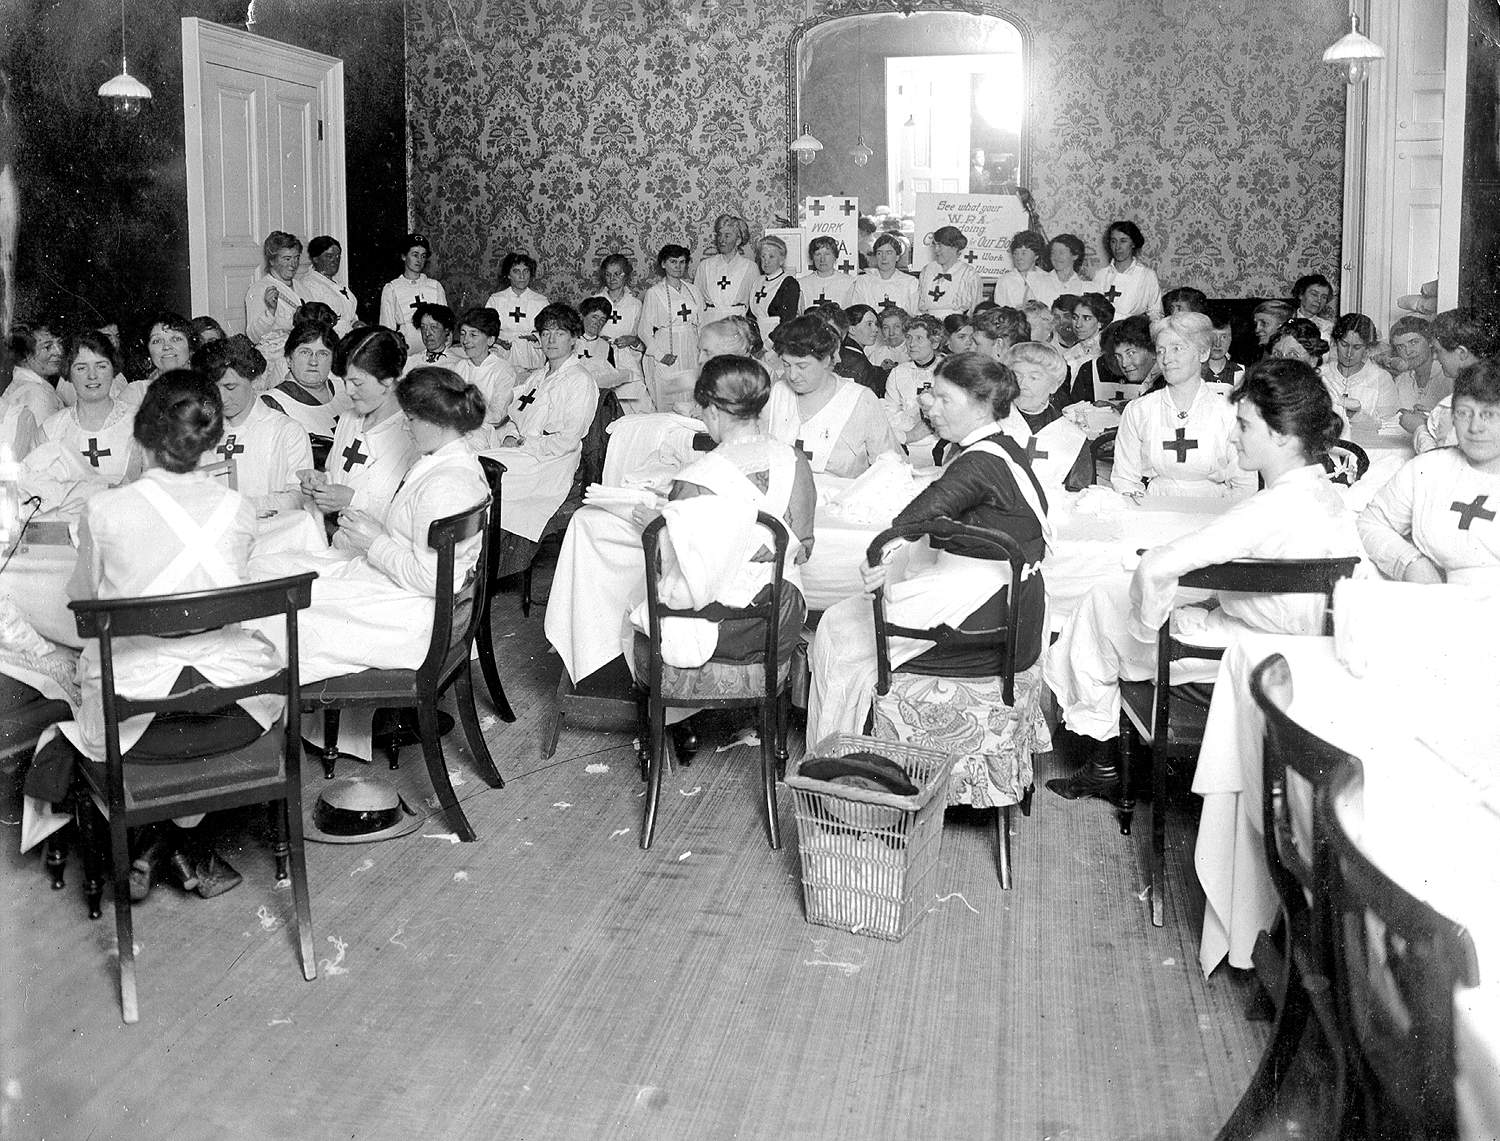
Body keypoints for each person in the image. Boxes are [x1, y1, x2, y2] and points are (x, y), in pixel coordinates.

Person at [1045, 358, 1363, 801]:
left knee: (1102, 602)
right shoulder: (1327, 495)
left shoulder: (1265, 508)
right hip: (1304, 648)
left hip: (1236, 650)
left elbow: (1159, 568)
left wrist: (1147, 622)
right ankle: (1110, 752)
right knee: (1115, 601)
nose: (1232, 436)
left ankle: (1104, 761)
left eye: (1244, 426)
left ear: (1282, 435)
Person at [42, 370, 285, 895]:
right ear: (211, 439)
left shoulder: (105, 509)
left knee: (72, 680)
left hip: (140, 727)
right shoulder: (238, 509)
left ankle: (151, 844)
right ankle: (179, 847)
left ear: (142, 433)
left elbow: (80, 598)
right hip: (233, 715)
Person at [808, 352, 1051, 741]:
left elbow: (910, 522)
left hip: (987, 617)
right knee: (845, 620)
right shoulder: (1003, 446)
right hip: (1017, 608)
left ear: (982, 405)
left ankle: (842, 753)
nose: (930, 408)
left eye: (944, 399)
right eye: (931, 395)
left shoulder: (977, 463)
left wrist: (879, 556)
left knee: (838, 628)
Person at [255, 366, 489, 683]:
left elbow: (431, 579)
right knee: (271, 570)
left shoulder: (448, 485)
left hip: (409, 614)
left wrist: (374, 541)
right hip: (396, 588)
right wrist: (370, 530)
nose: (405, 427)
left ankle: (287, 717)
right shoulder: (446, 462)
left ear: (437, 421)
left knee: (277, 606)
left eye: (411, 419)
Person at [626, 356, 815, 731]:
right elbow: (805, 546)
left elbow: (678, 573)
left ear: (711, 410)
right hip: (778, 620)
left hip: (713, 630)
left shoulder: (696, 478)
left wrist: (659, 529)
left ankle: (672, 722)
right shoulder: (795, 460)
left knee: (634, 600)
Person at [1358, 358, 1500, 584]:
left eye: (1490, 415)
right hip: (1438, 603)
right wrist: (1409, 562)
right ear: (1452, 415)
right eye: (1464, 413)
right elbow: (1371, 523)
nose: (1474, 427)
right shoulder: (1429, 468)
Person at [487, 302, 598, 546]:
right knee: (476, 466)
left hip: (551, 462)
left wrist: (527, 446)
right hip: (521, 451)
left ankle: (491, 558)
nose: (551, 339)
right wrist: (509, 436)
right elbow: (515, 415)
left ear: (574, 339)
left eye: (559, 333)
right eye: (545, 333)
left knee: (487, 479)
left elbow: (568, 440)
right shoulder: (537, 377)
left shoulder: (580, 380)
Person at [300, 327, 418, 554]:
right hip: (339, 547)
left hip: (383, 555)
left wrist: (352, 499)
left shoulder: (413, 432)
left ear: (388, 379)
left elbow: (412, 519)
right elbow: (337, 473)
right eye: (345, 381)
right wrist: (320, 484)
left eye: (357, 382)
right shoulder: (349, 419)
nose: (348, 391)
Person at [1112, 313, 1255, 499]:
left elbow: (1244, 484)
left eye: (1177, 348)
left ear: (1203, 353)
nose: (1166, 359)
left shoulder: (1229, 411)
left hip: (1214, 510)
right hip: (1154, 510)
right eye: (1161, 350)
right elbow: (1125, 480)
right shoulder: (1139, 410)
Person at [766, 314, 897, 477]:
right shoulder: (779, 392)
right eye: (786, 364)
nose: (792, 375)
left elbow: (891, 467)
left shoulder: (860, 399)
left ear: (826, 361)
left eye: (802, 366)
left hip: (842, 498)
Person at [193, 335, 311, 515]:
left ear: (255, 381)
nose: (221, 398)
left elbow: (299, 496)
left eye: (230, 387)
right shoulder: (200, 429)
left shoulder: (287, 431)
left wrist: (244, 507)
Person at [28, 330, 142, 486]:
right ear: (68, 372)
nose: (92, 376)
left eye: (101, 366)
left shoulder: (141, 423)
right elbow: (35, 489)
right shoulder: (51, 430)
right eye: (81, 368)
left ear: (113, 369)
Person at [1004, 341, 1092, 495]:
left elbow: (1078, 496)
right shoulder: (990, 423)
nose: (1023, 385)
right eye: (1016, 376)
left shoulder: (1073, 437)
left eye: (1034, 378)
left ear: (1054, 386)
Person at [1413, 308, 1500, 453]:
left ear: (1462, 353)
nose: (1434, 357)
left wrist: (1419, 428)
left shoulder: (1474, 398)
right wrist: (1433, 418)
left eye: (1438, 351)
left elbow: (1442, 465)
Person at [638, 243, 705, 411]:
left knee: (692, 394)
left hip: (691, 348)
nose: (678, 266)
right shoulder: (655, 293)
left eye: (682, 262)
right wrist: (660, 355)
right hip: (667, 350)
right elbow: (644, 330)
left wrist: (704, 352)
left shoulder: (693, 290)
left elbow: (702, 323)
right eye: (673, 262)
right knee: (669, 397)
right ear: (663, 264)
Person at [261, 321, 348, 446]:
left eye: (322, 354)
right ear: (289, 359)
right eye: (305, 352)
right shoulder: (272, 404)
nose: (313, 361)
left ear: (333, 360)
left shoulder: (346, 391)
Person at [244, 231, 305, 385]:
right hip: (276, 366)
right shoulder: (259, 290)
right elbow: (253, 335)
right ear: (272, 260)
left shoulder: (302, 288)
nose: (293, 264)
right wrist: (270, 312)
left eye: (296, 258)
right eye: (287, 259)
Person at [449, 306, 517, 441]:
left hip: (489, 435)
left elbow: (497, 416)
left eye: (473, 335)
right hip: (461, 430)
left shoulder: (503, 370)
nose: (465, 341)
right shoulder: (460, 367)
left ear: (490, 340)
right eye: (463, 333)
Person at [881, 313, 944, 452]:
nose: (911, 344)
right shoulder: (898, 373)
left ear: (934, 342)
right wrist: (910, 433)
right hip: (907, 442)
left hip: (943, 442)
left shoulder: (949, 369)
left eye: (919, 338)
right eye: (909, 337)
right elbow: (890, 412)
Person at [1321, 313, 1398, 427]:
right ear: (1335, 342)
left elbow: (1389, 426)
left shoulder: (1381, 379)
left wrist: (1357, 416)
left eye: (1357, 347)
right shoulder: (1321, 374)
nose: (1349, 353)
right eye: (1344, 344)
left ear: (1367, 349)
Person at [378, 233, 447, 356]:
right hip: (407, 350)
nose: (419, 260)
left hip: (435, 348)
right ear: (404, 256)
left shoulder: (435, 286)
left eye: (423, 256)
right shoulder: (392, 288)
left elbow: (445, 322)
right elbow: (386, 329)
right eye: (415, 255)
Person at [485, 251, 548, 373]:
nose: (522, 276)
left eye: (526, 271)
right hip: (503, 355)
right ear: (508, 275)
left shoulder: (541, 301)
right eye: (516, 271)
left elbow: (549, 331)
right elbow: (485, 329)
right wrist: (499, 341)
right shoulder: (496, 300)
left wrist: (535, 338)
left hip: (531, 356)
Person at [1389, 315, 1450, 436]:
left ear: (1430, 342)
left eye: (1413, 342)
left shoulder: (1448, 377)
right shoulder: (1401, 380)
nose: (1408, 351)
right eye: (1400, 347)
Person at [1093, 221, 1162, 320]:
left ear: (1133, 243)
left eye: (1123, 241)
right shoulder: (1100, 275)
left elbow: (1156, 313)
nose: (1117, 247)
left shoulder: (1147, 275)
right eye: (1113, 241)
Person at [695, 214, 757, 319]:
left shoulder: (750, 268)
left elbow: (755, 305)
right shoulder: (705, 266)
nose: (721, 240)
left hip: (737, 323)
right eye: (719, 235)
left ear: (738, 240)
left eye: (727, 235)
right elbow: (697, 300)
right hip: (710, 323)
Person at [2, 320, 64, 425]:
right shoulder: (38, 395)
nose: (59, 352)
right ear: (25, 356)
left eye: (59, 344)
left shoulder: (22, 386)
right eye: (47, 347)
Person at [298, 236, 359, 336]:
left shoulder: (338, 284)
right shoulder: (309, 284)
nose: (335, 260)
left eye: (338, 256)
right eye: (329, 256)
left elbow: (349, 315)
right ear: (316, 259)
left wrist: (355, 323)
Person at [917, 225, 980, 320]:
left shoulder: (969, 274)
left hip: (956, 325)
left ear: (954, 247)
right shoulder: (927, 270)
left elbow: (976, 309)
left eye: (940, 245)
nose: (936, 250)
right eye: (935, 245)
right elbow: (919, 305)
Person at [851, 233, 919, 316]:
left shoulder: (910, 283)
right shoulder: (863, 282)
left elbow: (916, 314)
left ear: (897, 256)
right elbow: (858, 313)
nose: (884, 257)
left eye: (889, 253)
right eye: (879, 253)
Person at [747, 234, 800, 341]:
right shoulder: (758, 282)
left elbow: (787, 322)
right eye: (763, 256)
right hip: (756, 339)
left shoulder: (789, 283)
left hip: (777, 340)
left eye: (771, 257)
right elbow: (751, 316)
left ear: (781, 260)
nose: (766, 261)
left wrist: (767, 346)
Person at [798, 235, 855, 310]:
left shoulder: (849, 283)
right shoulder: (802, 284)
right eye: (818, 254)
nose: (822, 259)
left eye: (827, 254)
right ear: (812, 257)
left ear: (835, 256)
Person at [1063, 292, 1113, 376]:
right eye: (1075, 318)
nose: (1078, 325)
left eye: (1086, 318)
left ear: (1100, 322)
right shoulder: (1068, 355)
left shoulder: (1109, 351)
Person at [995, 230, 1049, 308]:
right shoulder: (1005, 281)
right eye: (1016, 253)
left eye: (1024, 253)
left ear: (1036, 255)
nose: (1019, 258)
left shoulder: (1046, 279)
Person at [404, 302, 464, 371]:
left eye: (433, 327)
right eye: (423, 327)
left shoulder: (457, 364)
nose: (427, 333)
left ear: (446, 330)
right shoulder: (410, 362)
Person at [1039, 234, 1091, 309]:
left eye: (1061, 252)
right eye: (1053, 252)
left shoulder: (1086, 286)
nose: (1056, 257)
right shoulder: (1039, 282)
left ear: (1075, 256)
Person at [1202, 306, 1243, 392]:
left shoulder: (1242, 373)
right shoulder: (1193, 371)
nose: (1217, 343)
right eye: (1212, 337)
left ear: (1231, 338)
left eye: (1223, 337)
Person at [1291, 273, 1335, 339]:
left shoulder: (1329, 328)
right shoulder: (1284, 322)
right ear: (1301, 294)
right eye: (1314, 294)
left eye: (1324, 297)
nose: (1319, 300)